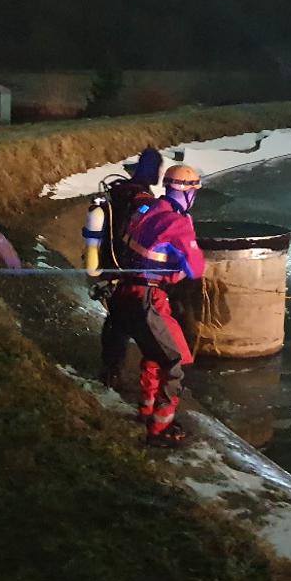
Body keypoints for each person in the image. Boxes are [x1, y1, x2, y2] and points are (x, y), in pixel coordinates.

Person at [105, 164, 205, 447]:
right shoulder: (177, 222)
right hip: (149, 300)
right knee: (174, 363)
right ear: (189, 192)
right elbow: (195, 268)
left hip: (124, 294)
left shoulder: (147, 209)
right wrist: (180, 268)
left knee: (154, 353)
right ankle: (160, 428)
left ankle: (146, 410)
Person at [82, 148, 164, 388]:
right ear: (154, 170)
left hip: (107, 264)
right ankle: (116, 376)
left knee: (115, 321)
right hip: (126, 270)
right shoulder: (144, 200)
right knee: (126, 323)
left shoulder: (117, 193)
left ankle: (109, 370)